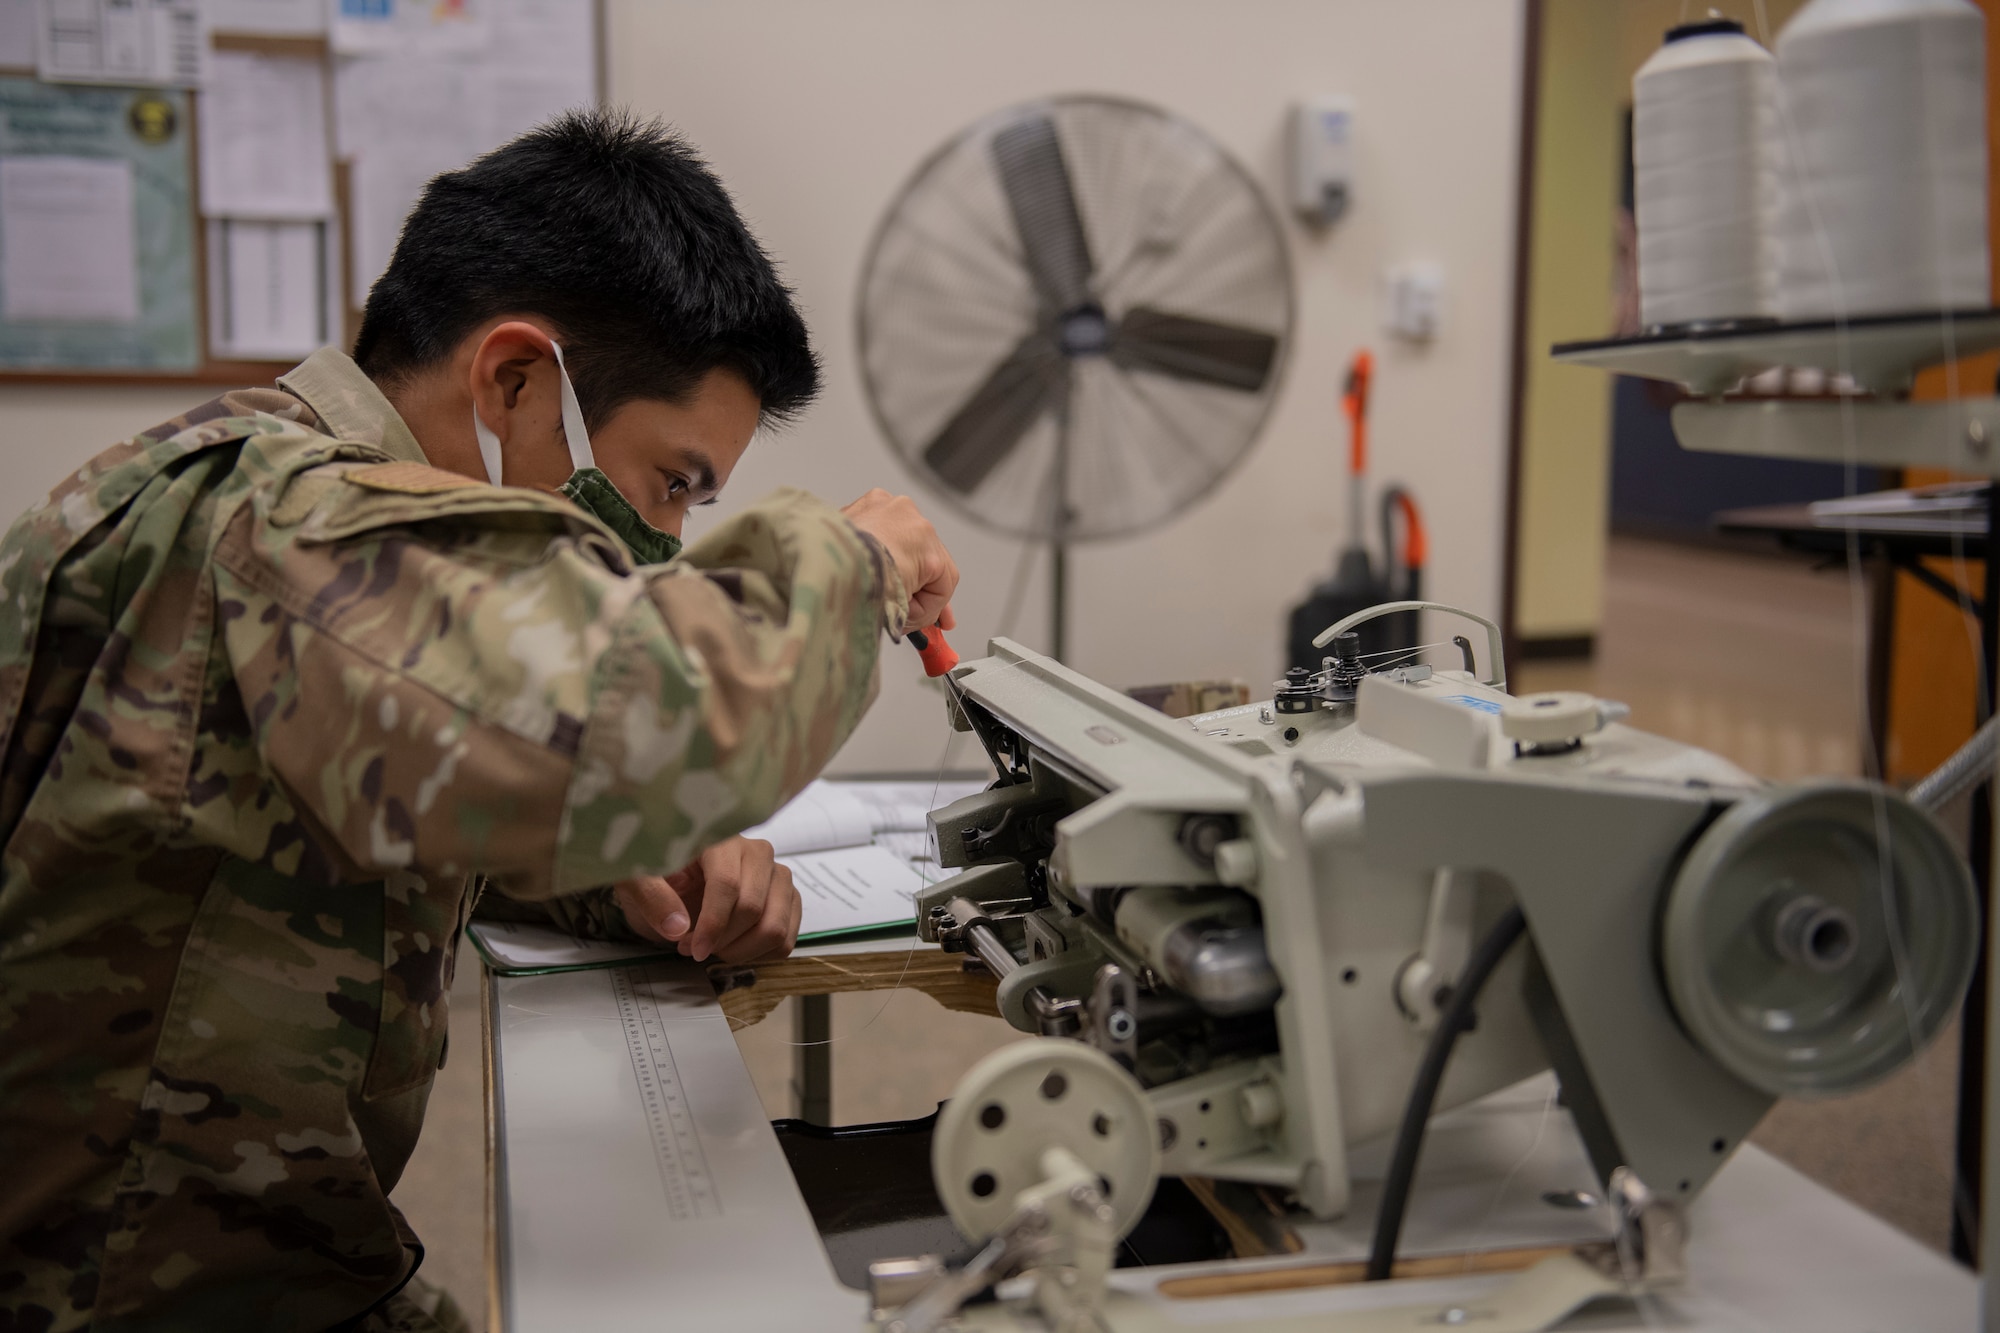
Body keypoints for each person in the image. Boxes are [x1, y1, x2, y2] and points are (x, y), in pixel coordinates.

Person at [0, 108, 960, 1332]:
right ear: (514, 381)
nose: (665, 538)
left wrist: (615, 875)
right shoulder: (297, 526)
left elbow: (357, 815)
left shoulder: (259, 484)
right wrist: (857, 559)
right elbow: (625, 726)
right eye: (672, 481)